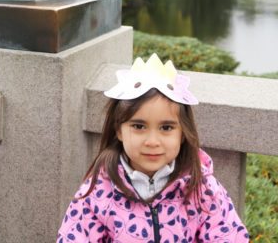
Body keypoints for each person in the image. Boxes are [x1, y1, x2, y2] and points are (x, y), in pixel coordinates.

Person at [57, 54, 249, 242]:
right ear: (119, 130)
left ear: (182, 133)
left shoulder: (202, 188)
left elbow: (229, 236)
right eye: (139, 126)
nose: (152, 141)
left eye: (166, 128)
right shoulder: (98, 191)